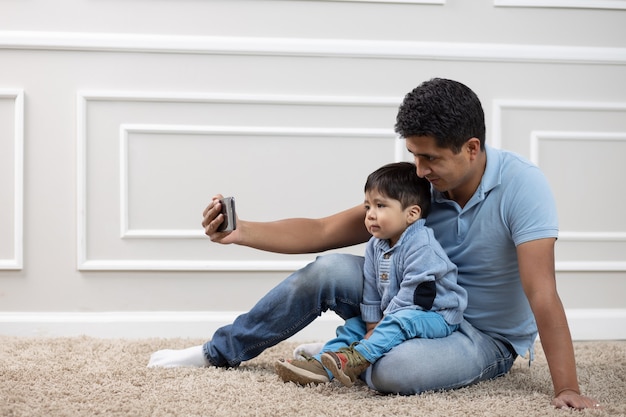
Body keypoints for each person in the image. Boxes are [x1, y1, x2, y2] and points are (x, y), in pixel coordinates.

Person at [148, 78, 601, 410]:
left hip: (483, 336)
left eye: (430, 158)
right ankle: (217, 352)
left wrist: (566, 387)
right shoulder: (423, 186)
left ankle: (343, 354)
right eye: (413, 155)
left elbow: (542, 292)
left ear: (471, 148)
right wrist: (241, 231)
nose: (419, 171)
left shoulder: (524, 187)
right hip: (405, 301)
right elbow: (327, 230)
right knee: (328, 268)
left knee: (390, 373)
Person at [274, 161, 467, 388]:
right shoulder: (376, 244)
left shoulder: (422, 245)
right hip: (394, 313)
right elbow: (372, 288)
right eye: (368, 207)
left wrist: (379, 329)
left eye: (380, 206)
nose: (370, 215)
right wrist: (372, 323)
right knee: (354, 326)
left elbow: (415, 298)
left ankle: (358, 358)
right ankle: (321, 365)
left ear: (412, 213)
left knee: (401, 321)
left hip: (436, 315)